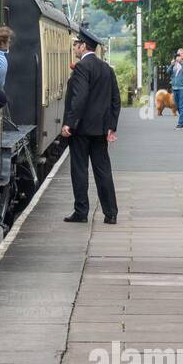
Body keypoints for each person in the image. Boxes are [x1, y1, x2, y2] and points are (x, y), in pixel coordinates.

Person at [62, 27, 121, 225]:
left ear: (83, 46)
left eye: (76, 45)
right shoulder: (107, 69)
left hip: (81, 130)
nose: (75, 49)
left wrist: (69, 123)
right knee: (103, 170)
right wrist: (111, 126)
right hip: (101, 130)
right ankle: (110, 213)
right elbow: (116, 100)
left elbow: (79, 98)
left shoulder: (81, 68)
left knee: (79, 170)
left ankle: (81, 211)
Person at [168, 49, 183, 129]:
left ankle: (180, 124)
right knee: (178, 106)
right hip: (175, 87)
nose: (178, 55)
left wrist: (181, 62)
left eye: (180, 54)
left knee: (182, 106)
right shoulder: (175, 63)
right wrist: (171, 65)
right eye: (178, 54)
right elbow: (168, 72)